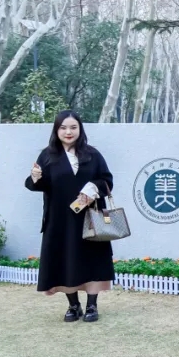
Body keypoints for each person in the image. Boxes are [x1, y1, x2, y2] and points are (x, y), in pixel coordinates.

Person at [24, 110, 115, 323]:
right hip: (59, 219)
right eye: (63, 127)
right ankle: (73, 305)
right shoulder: (47, 155)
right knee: (64, 260)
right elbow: (36, 185)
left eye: (73, 127)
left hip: (90, 218)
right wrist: (35, 177)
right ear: (56, 130)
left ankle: (92, 305)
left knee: (92, 259)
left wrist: (93, 188)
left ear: (80, 129)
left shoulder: (92, 154)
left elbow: (107, 181)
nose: (68, 132)